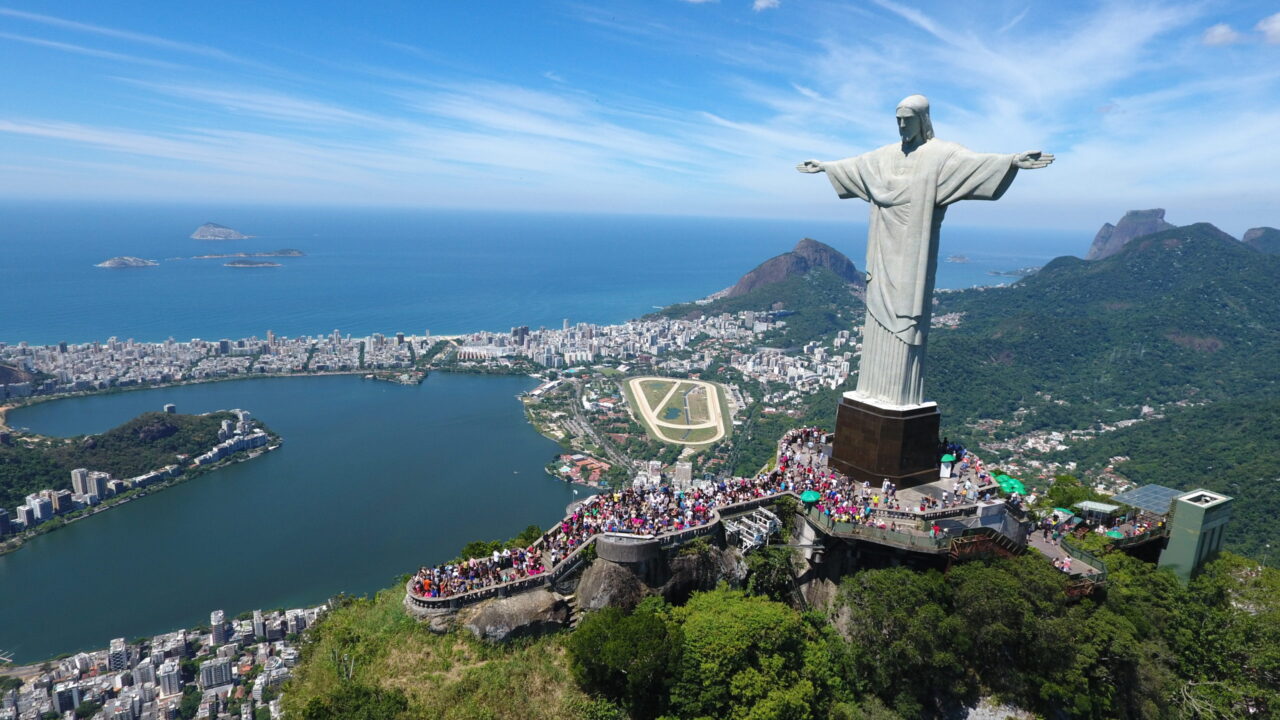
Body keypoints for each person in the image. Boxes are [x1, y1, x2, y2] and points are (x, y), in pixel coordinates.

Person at [797, 94, 1054, 406]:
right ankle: (872, 389)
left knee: (907, 319)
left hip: (913, 256)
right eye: (898, 120)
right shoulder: (884, 156)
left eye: (908, 119)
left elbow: (975, 165)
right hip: (881, 251)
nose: (903, 126)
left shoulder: (942, 155)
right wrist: (825, 167)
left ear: (924, 119)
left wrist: (1011, 160)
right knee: (876, 316)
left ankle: (899, 394)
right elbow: (857, 166)